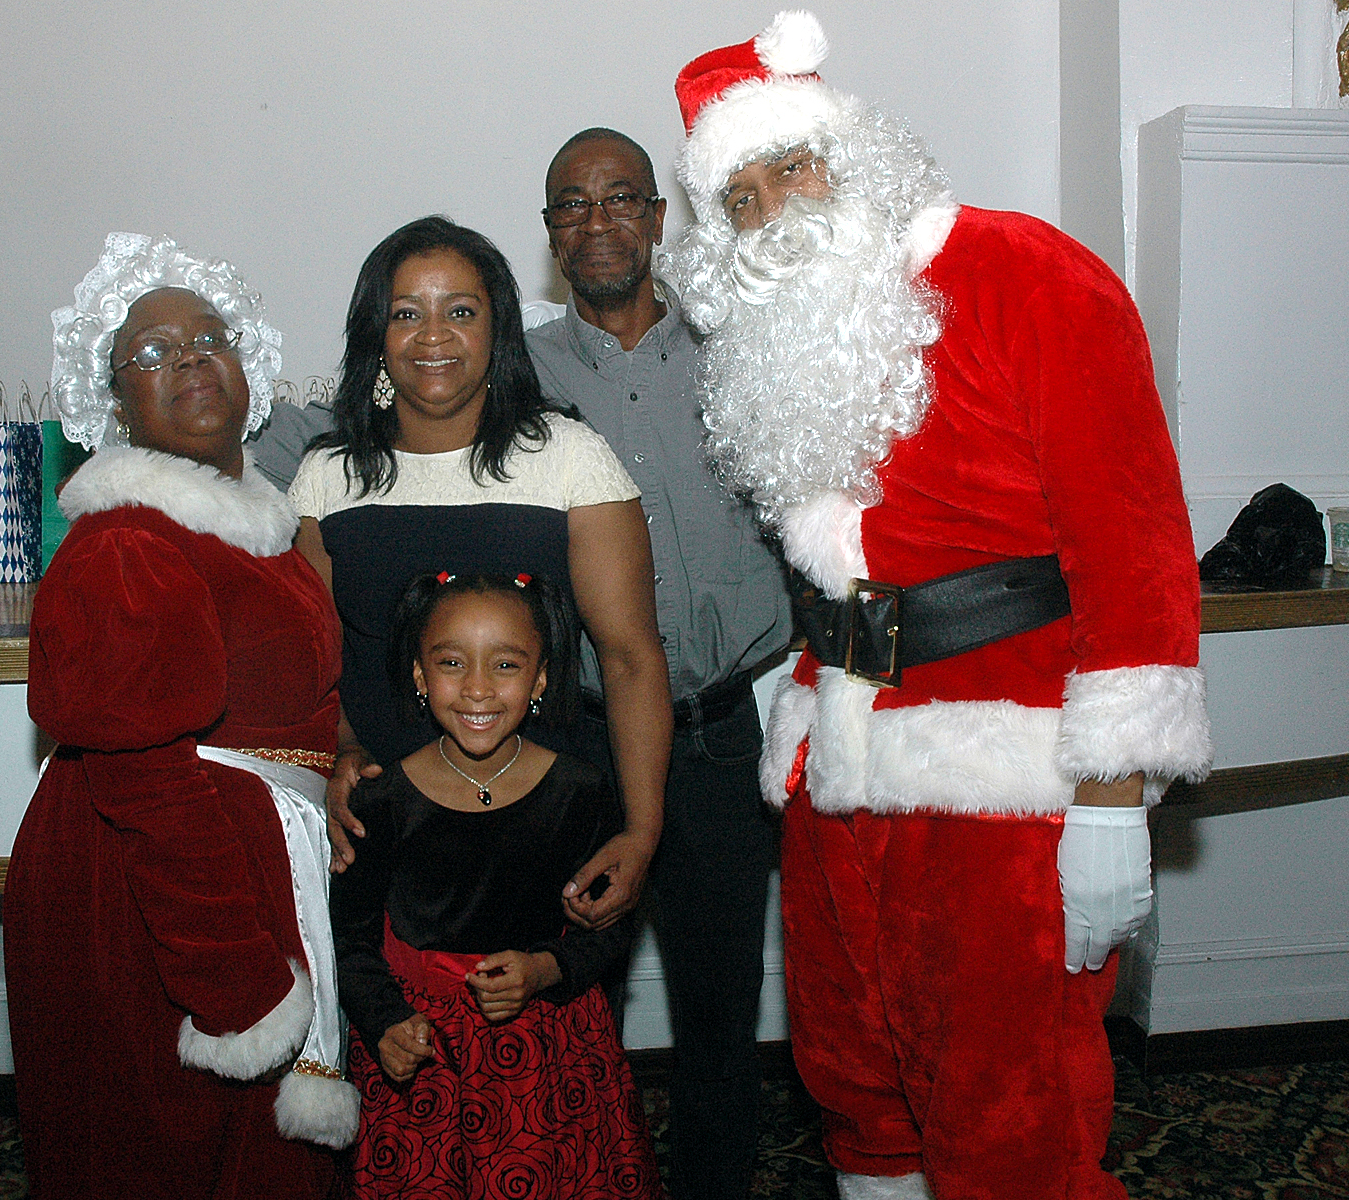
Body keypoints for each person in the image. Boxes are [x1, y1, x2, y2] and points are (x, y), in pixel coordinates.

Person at [661, 13, 1213, 1200]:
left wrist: (1116, 802)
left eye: (791, 167)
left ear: (853, 158)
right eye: (740, 197)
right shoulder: (775, 341)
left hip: (1005, 786)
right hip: (836, 782)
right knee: (857, 1090)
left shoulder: (1022, 270)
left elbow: (1136, 544)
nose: (773, 209)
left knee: (1011, 1121)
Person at [3, 233, 358, 1200]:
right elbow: (146, 782)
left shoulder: (243, 518)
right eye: (152, 353)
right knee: (168, 1149)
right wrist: (237, 983)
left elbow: (285, 698)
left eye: (210, 337)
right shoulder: (126, 545)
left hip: (232, 867)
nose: (191, 357)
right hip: (151, 901)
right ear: (112, 401)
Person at [525, 128, 793, 1200]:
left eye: (620, 198)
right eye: (571, 205)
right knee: (568, 1009)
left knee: (718, 1021)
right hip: (582, 746)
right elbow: (366, 415)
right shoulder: (514, 371)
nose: (597, 222)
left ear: (656, 217)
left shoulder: (751, 352)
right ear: (551, 234)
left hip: (724, 740)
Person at [288, 217, 672, 940]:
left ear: (498, 333)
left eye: (461, 311)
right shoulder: (327, 479)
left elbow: (630, 658)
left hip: (550, 830)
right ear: (377, 336)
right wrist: (342, 752)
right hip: (387, 833)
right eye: (407, 314)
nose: (434, 336)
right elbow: (318, 661)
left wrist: (642, 830)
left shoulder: (569, 459)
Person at [330, 570, 663, 1199]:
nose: (477, 689)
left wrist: (543, 969)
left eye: (505, 665)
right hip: (426, 1057)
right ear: (421, 677)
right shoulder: (380, 800)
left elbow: (610, 928)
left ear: (539, 678)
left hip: (550, 1055)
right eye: (452, 663)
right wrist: (383, 1022)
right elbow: (348, 940)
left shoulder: (581, 790)